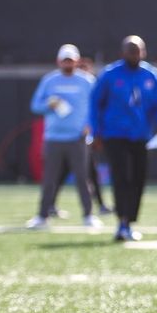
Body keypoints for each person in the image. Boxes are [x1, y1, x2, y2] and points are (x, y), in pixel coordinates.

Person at [91, 36, 157, 242]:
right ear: (122, 52)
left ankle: (130, 220)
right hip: (114, 134)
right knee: (121, 178)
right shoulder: (109, 75)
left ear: (143, 52)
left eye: (138, 51)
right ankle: (122, 222)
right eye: (131, 51)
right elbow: (95, 104)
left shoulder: (151, 75)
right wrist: (96, 132)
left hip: (140, 135)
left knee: (138, 178)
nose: (135, 55)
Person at [27, 44, 98, 230]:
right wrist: (49, 106)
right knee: (49, 178)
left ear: (77, 61)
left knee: (83, 178)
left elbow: (98, 106)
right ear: (59, 61)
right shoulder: (49, 81)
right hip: (54, 138)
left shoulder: (87, 81)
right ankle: (42, 215)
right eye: (65, 60)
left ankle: (88, 215)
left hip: (77, 138)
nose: (68, 63)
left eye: (71, 60)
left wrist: (90, 127)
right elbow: (35, 105)